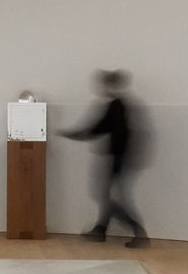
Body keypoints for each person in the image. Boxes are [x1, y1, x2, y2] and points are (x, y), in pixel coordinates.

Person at [62, 69, 149, 247]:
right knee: (106, 194)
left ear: (111, 85)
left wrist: (72, 134)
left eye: (104, 84)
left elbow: (99, 128)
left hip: (119, 158)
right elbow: (101, 128)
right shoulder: (121, 105)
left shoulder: (117, 106)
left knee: (106, 196)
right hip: (120, 157)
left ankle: (138, 231)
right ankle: (100, 230)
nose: (101, 88)